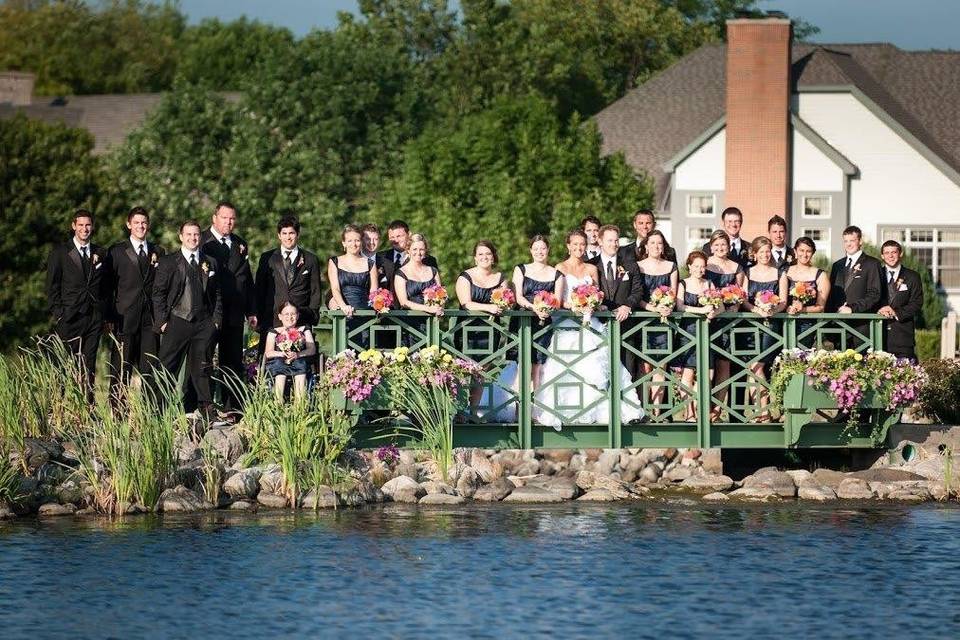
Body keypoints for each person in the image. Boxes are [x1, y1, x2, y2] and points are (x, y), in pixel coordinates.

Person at [535, 230, 643, 429]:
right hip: (567, 323)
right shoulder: (560, 267)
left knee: (596, 366)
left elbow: (598, 294)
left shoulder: (592, 268)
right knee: (565, 367)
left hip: (590, 322)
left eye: (582, 244)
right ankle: (564, 411)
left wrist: (593, 304)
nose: (579, 248)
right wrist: (575, 306)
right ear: (568, 246)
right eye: (574, 244)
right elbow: (558, 300)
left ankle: (600, 410)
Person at [153, 221, 222, 419]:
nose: (193, 238)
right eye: (189, 234)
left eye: (196, 235)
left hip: (203, 324)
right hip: (177, 321)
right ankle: (158, 413)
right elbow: (158, 293)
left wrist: (216, 321)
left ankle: (203, 412)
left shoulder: (210, 262)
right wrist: (162, 321)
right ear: (181, 236)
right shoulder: (168, 262)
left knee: (202, 368)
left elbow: (217, 293)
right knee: (167, 367)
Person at [200, 201, 256, 410]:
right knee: (204, 359)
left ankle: (231, 408)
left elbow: (246, 279)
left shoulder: (240, 244)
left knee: (232, 361)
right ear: (214, 218)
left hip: (234, 311)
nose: (228, 222)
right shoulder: (201, 241)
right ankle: (203, 406)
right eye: (224, 218)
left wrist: (252, 310)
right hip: (209, 312)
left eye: (232, 218)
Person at [104, 206, 166, 395]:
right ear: (128, 224)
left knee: (150, 369)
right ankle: (117, 413)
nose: (141, 226)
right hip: (124, 318)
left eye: (144, 223)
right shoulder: (116, 251)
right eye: (137, 223)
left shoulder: (158, 251)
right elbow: (108, 287)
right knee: (121, 368)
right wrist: (109, 318)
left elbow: (161, 287)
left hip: (150, 321)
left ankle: (149, 413)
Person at [45, 209, 107, 399]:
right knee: (63, 364)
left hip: (93, 318)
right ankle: (58, 407)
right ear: (74, 226)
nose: (84, 229)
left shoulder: (101, 252)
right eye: (80, 225)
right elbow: (51, 286)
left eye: (88, 225)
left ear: (92, 227)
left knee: (89, 364)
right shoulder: (60, 253)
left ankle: (87, 407)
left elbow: (106, 286)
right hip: (69, 317)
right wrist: (59, 313)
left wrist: (103, 313)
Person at [455, 240, 509, 412]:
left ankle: (474, 411)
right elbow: (466, 303)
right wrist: (489, 308)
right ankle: (461, 411)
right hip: (467, 330)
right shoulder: (465, 277)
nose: (484, 257)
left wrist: (502, 306)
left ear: (493, 257)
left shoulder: (501, 278)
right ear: (475, 258)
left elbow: (506, 301)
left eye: (488, 254)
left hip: (491, 331)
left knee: (482, 371)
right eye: (480, 254)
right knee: (465, 369)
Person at [255, 215, 323, 347]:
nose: (288, 237)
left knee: (300, 359)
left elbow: (315, 291)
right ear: (279, 235)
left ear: (297, 234)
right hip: (272, 318)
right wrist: (258, 315)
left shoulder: (310, 259)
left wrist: (311, 314)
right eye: (284, 233)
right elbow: (259, 289)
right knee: (269, 360)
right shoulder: (266, 258)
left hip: (300, 318)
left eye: (291, 233)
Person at [742, 236, 788, 421]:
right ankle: (761, 410)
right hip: (751, 326)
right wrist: (756, 309)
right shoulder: (747, 273)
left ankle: (764, 410)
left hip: (771, 325)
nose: (765, 255)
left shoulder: (780, 274)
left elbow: (783, 301)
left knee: (758, 366)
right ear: (755, 253)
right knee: (753, 367)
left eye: (768, 251)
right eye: (761, 252)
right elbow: (743, 299)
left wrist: (772, 308)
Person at [512, 235, 564, 390]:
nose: (539, 252)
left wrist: (548, 309)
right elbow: (518, 297)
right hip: (523, 319)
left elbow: (557, 301)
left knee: (537, 364)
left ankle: (532, 406)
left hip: (543, 323)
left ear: (548, 250)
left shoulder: (557, 274)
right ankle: (518, 407)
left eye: (543, 248)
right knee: (522, 363)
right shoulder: (520, 269)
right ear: (530, 250)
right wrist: (533, 308)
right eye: (536, 248)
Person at [705, 229, 746, 419]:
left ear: (728, 247)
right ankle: (703, 406)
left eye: (724, 244)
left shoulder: (736, 267)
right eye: (717, 245)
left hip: (728, 322)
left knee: (724, 366)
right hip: (708, 320)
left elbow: (740, 293)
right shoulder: (704, 265)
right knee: (706, 366)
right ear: (711, 246)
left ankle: (718, 408)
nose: (721, 248)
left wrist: (735, 308)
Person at [637, 230, 679, 412]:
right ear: (646, 246)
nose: (656, 246)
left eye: (659, 243)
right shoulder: (638, 266)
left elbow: (674, 294)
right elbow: (636, 295)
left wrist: (668, 306)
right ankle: (645, 408)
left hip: (664, 322)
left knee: (661, 365)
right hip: (644, 321)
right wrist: (653, 308)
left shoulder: (671, 266)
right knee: (645, 366)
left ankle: (657, 411)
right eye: (652, 243)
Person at [674, 251, 717, 421]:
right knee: (688, 373)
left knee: (707, 373)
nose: (700, 269)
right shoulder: (683, 284)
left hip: (707, 332)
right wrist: (701, 311)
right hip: (688, 332)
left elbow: (718, 305)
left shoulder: (709, 284)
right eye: (696, 266)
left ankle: (700, 409)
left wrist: (714, 312)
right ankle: (689, 412)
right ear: (689, 267)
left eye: (702, 266)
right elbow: (680, 306)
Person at [328, 224, 378, 349]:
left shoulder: (370, 264)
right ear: (343, 243)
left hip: (365, 313)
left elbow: (373, 292)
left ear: (361, 242)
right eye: (349, 240)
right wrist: (343, 306)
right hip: (344, 313)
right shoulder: (334, 262)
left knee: (366, 352)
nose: (354, 244)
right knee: (344, 351)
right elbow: (335, 288)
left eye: (357, 240)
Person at [395, 233, 443, 347]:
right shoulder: (401, 273)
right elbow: (404, 302)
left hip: (431, 323)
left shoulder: (433, 271)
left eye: (421, 249)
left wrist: (440, 307)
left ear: (426, 251)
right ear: (408, 250)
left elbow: (440, 295)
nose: (418, 252)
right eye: (415, 249)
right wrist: (427, 309)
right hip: (410, 324)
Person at [878, 240, 923, 361]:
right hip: (877, 334)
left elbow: (917, 303)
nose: (890, 256)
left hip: (903, 336)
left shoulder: (912, 276)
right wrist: (880, 310)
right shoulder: (876, 274)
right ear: (882, 256)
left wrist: (896, 312)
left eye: (894, 252)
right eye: (887, 253)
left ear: (900, 254)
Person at [263, 301, 317, 402]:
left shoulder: (304, 330)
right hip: (279, 361)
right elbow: (268, 352)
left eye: (293, 314)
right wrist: (282, 353)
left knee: (300, 365)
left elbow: (312, 349)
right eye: (286, 314)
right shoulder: (274, 332)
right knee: (279, 364)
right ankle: (278, 403)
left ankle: (299, 405)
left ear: (297, 315)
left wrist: (298, 354)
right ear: (280, 316)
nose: (290, 317)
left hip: (299, 359)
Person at [377, 220, 439, 304]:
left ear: (409, 234)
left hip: (419, 312)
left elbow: (436, 290)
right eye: (392, 237)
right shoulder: (380, 258)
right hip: (388, 313)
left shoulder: (428, 260)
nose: (396, 240)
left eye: (399, 236)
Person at [785, 236, 831, 347]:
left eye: (808, 251)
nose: (805, 254)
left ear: (813, 253)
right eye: (801, 250)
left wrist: (803, 309)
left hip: (807, 324)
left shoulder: (821, 275)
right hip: (784, 321)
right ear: (795, 251)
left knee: (800, 357)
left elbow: (820, 307)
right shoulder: (785, 272)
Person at [827, 225, 883, 314]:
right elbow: (831, 295)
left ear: (860, 241)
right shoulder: (837, 265)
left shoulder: (873, 264)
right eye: (845, 241)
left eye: (852, 241)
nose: (848, 244)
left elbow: (875, 294)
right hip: (837, 321)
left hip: (861, 322)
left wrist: (852, 308)